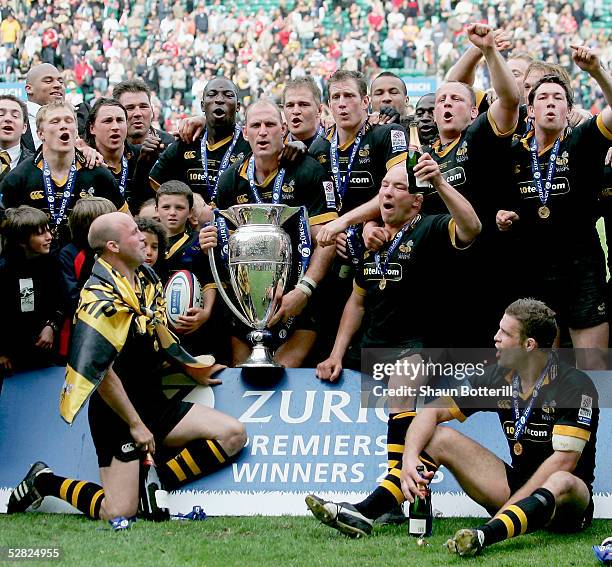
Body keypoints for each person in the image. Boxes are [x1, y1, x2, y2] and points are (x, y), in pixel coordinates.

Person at [7, 212, 246, 522]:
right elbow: (101, 373)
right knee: (118, 511)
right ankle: (44, 481)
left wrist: (190, 367)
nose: (143, 241)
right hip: (116, 413)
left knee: (233, 435)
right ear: (113, 246)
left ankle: (154, 480)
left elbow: (158, 331)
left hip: (152, 401)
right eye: (135, 235)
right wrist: (135, 424)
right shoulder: (96, 297)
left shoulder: (148, 279)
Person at [306, 157, 481, 537]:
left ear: (417, 202)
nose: (387, 192)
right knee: (404, 422)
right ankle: (405, 501)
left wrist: (439, 184)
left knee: (402, 394)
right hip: (376, 347)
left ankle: (376, 505)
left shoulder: (431, 228)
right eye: (384, 185)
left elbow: (472, 226)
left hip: (423, 346)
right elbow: (357, 301)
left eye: (399, 187)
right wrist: (336, 353)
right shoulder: (370, 240)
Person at [398, 299, 598, 557]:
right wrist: (409, 457)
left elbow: (563, 463)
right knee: (437, 437)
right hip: (515, 487)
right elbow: (432, 410)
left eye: (505, 333)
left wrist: (506, 512)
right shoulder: (498, 376)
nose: (495, 338)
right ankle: (369, 511)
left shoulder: (574, 384)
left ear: (529, 345)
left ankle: (486, 535)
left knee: (562, 479)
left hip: (565, 506)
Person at [496, 46, 612, 369]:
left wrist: (597, 71)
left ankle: (595, 421)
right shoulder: (514, 154)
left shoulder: (583, 141)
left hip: (581, 270)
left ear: (568, 110)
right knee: (543, 371)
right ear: (529, 110)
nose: (550, 102)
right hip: (532, 269)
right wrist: (502, 215)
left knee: (595, 367)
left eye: (558, 98)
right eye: (542, 97)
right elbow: (496, 199)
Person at [199, 99, 338, 368]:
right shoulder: (230, 178)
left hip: (299, 301)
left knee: (285, 375)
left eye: (270, 124)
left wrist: (304, 290)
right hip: (245, 302)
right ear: (245, 133)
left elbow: (327, 240)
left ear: (283, 129)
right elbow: (221, 235)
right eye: (256, 125)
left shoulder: (308, 171)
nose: (263, 131)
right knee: (245, 381)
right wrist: (209, 240)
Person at [1, 101, 128, 249]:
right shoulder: (19, 176)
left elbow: (125, 222)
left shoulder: (99, 174)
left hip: (84, 265)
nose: (63, 125)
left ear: (75, 132)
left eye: (69, 121)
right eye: (55, 121)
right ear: (40, 134)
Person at [149, 76, 251, 208]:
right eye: (212, 94)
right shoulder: (187, 140)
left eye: (228, 95)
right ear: (203, 105)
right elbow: (154, 182)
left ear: (238, 106)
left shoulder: (249, 144)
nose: (219, 100)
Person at [0, 206, 65, 374]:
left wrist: (51, 326)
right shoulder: (5, 270)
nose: (49, 237)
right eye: (40, 234)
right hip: (11, 358)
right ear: (22, 241)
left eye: (48, 231)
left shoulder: (52, 263)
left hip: (45, 352)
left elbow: (61, 300)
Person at [85, 98, 146, 211]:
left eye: (120, 120)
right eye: (108, 121)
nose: (115, 127)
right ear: (92, 128)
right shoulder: (85, 163)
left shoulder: (142, 157)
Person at [22, 63, 90, 154]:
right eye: (48, 81)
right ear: (29, 89)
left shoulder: (83, 115)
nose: (58, 85)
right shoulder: (14, 119)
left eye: (61, 82)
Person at [112, 79, 175, 147]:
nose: (138, 113)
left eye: (143, 107)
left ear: (152, 110)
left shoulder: (170, 144)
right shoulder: (106, 148)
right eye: (130, 108)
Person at [282, 76, 324, 148]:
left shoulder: (334, 143)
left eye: (303, 105)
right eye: (290, 105)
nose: (295, 111)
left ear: (319, 110)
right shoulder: (276, 148)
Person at [0, 95, 32, 186]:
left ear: (24, 128)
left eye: (15, 116)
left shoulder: (38, 165)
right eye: (1, 114)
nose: (8, 119)